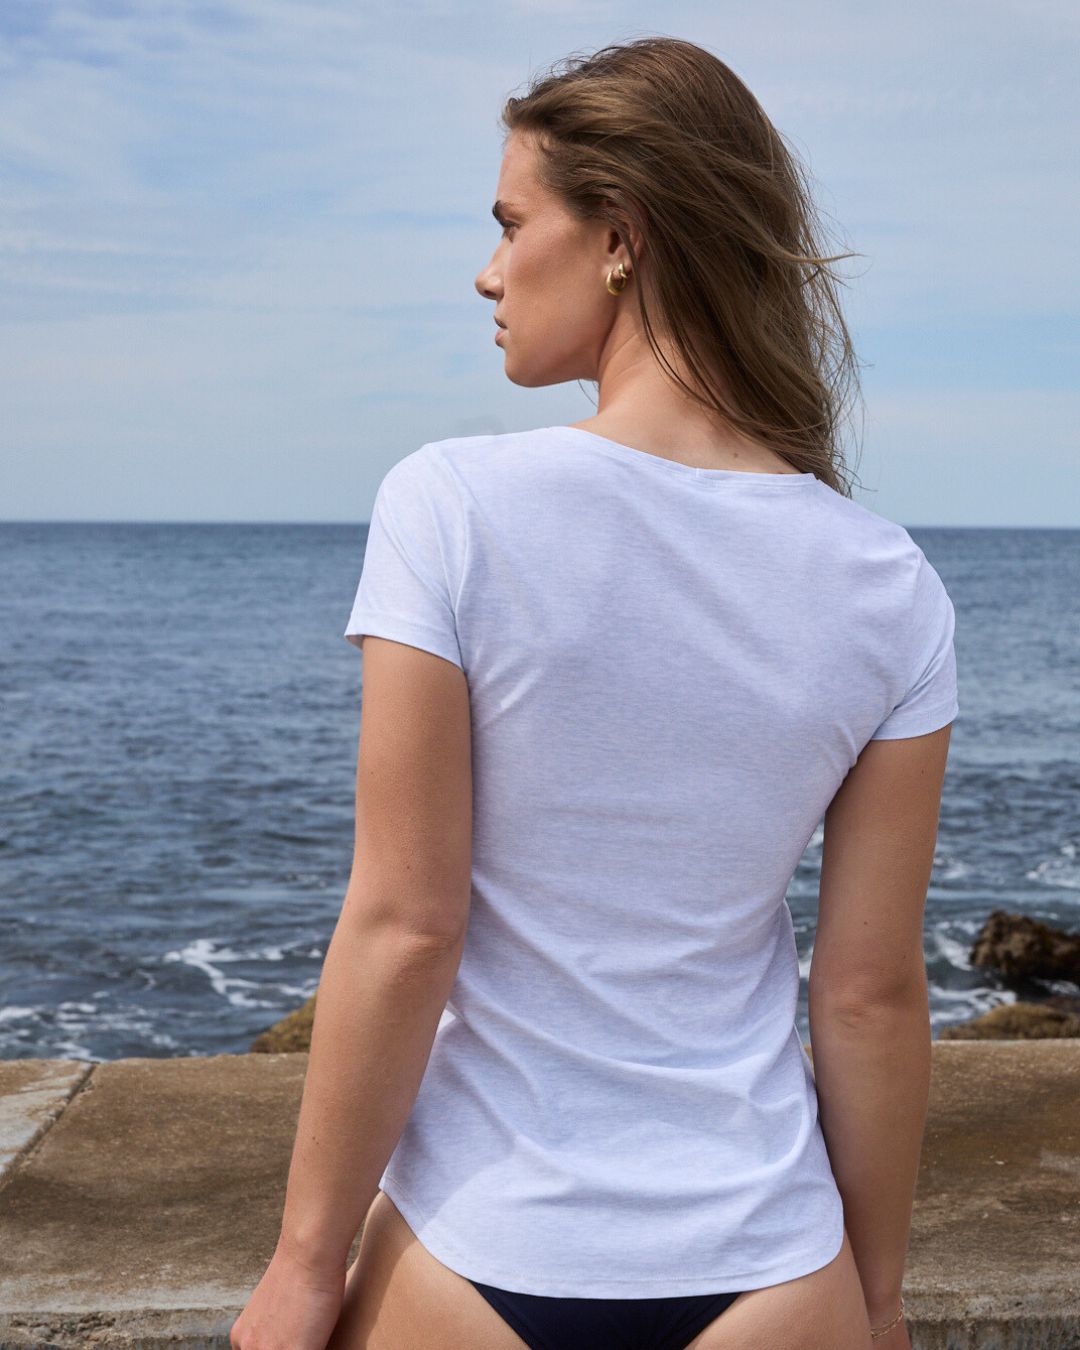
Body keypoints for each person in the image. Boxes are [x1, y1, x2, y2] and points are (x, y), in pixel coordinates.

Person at [230, 36, 957, 1350]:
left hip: (480, 1248)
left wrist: (301, 1263)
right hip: (770, 1266)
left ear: (619, 236)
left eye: (512, 224)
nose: (488, 270)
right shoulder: (888, 581)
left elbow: (405, 923)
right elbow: (866, 993)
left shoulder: (451, 505)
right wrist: (882, 1296)